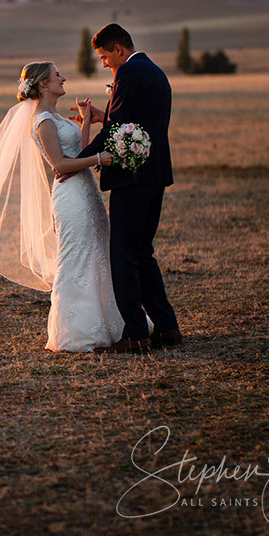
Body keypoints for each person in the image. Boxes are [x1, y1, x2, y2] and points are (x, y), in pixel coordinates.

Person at [0, 61, 139, 352]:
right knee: (76, 257)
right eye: (57, 75)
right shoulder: (43, 121)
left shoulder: (56, 117)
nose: (64, 78)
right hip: (70, 197)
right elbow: (60, 165)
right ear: (43, 84)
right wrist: (100, 160)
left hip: (86, 192)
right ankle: (76, 331)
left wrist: (85, 122)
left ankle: (109, 323)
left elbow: (77, 154)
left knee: (97, 252)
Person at [74, 24, 182, 352]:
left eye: (105, 57)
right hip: (155, 175)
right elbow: (135, 120)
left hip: (133, 177)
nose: (104, 64)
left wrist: (76, 162)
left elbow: (118, 130)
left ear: (118, 50)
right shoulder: (151, 70)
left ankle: (135, 335)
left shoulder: (129, 74)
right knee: (141, 252)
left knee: (123, 256)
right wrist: (104, 114)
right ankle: (166, 328)